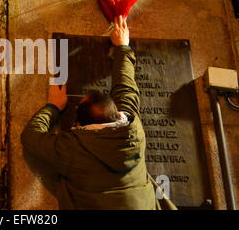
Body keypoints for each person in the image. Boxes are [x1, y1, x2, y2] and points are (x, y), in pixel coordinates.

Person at [21, 15, 177, 210]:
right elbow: (126, 88)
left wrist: (52, 107)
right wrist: (122, 47)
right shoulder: (133, 128)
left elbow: (31, 137)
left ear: (79, 125)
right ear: (116, 113)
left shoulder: (72, 150)